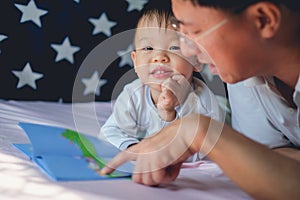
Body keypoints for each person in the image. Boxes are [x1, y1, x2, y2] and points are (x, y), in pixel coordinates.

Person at [101, 0, 300, 199]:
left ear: (263, 20)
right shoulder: (244, 74)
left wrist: (200, 132)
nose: (188, 51)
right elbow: (274, 161)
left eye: (195, 32)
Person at [100, 7, 224, 162]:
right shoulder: (133, 94)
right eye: (148, 48)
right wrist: (133, 149)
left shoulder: (204, 105)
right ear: (136, 62)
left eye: (174, 48)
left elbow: (204, 154)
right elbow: (108, 132)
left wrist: (168, 114)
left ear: (196, 60)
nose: (159, 57)